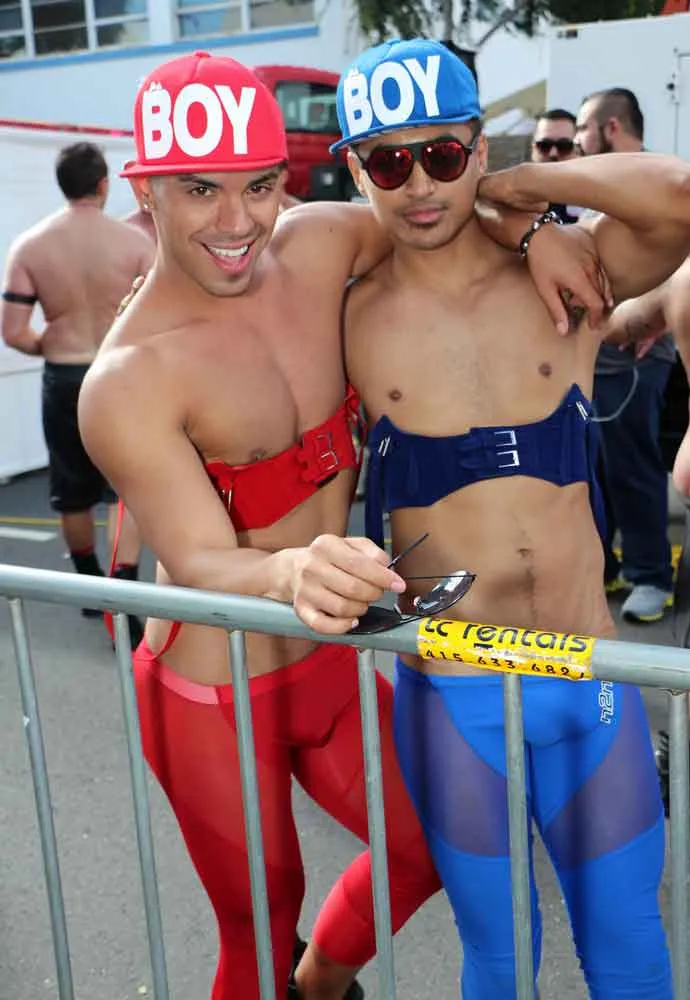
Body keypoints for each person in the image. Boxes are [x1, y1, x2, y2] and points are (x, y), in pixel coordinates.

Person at [77, 51, 609, 1000]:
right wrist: (288, 574)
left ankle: (322, 986)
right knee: (258, 924)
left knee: (429, 847)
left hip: (328, 660)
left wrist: (537, 232)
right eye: (199, 190)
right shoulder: (125, 380)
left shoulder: (321, 244)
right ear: (144, 191)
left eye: (258, 185)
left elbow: (438, 208)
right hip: (210, 694)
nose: (236, 222)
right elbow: (197, 557)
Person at [313, 37, 690, 999]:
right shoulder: (344, 316)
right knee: (499, 959)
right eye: (388, 162)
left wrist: (521, 198)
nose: (419, 184)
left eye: (443, 154)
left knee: (631, 954)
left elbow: (679, 198)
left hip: (585, 671)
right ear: (355, 170)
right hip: (456, 691)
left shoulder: (566, 270)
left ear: (480, 147)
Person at [0, 141, 153, 641]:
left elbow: (13, 331)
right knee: (125, 488)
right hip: (119, 373)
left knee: (72, 491)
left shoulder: (30, 246)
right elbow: (159, 316)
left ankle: (90, 587)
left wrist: (50, 341)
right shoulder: (133, 243)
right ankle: (122, 586)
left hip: (63, 375)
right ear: (104, 184)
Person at [576, 87, 677, 622]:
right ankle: (611, 567)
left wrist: (653, 319)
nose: (576, 140)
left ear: (611, 128)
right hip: (596, 356)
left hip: (635, 357)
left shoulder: (652, 180)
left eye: (583, 128)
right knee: (596, 469)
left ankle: (650, 576)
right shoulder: (603, 183)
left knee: (632, 468)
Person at [531, 108, 581, 224]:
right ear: (533, 148)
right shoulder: (517, 197)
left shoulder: (595, 199)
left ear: (578, 149)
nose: (553, 153)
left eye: (563, 146)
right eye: (544, 145)